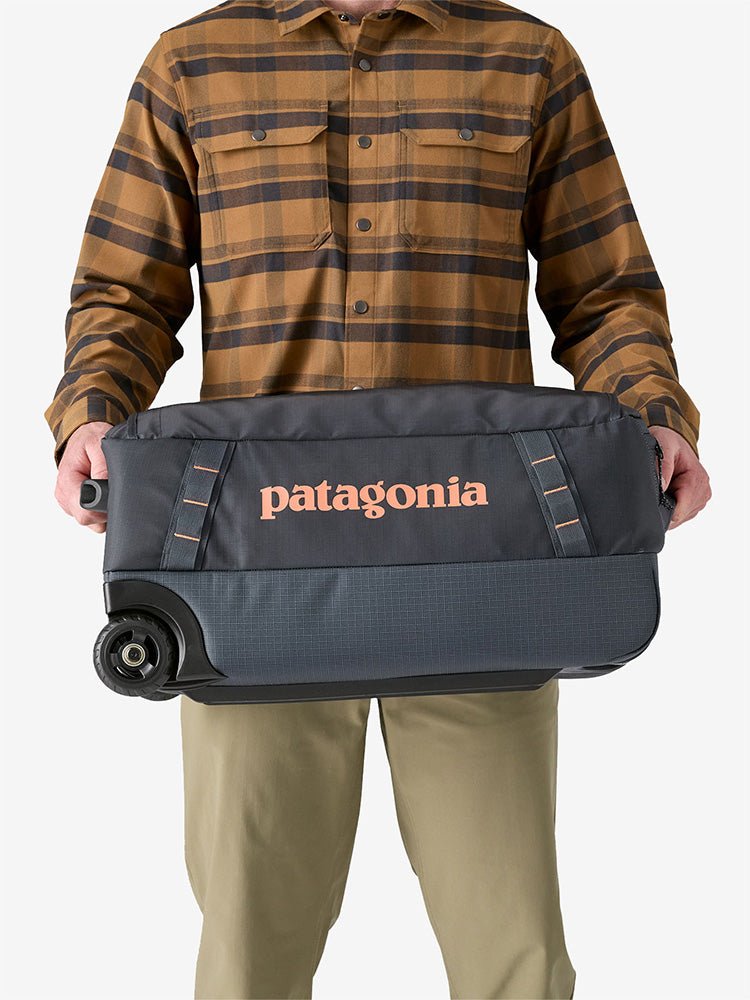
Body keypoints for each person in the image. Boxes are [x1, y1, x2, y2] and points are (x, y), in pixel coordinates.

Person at [45, 1, 711, 997]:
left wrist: (654, 412)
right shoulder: (191, 63)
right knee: (249, 956)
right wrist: (93, 413)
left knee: (514, 955)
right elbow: (123, 294)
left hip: (482, 565)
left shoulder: (528, 58)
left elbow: (606, 291)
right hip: (253, 573)